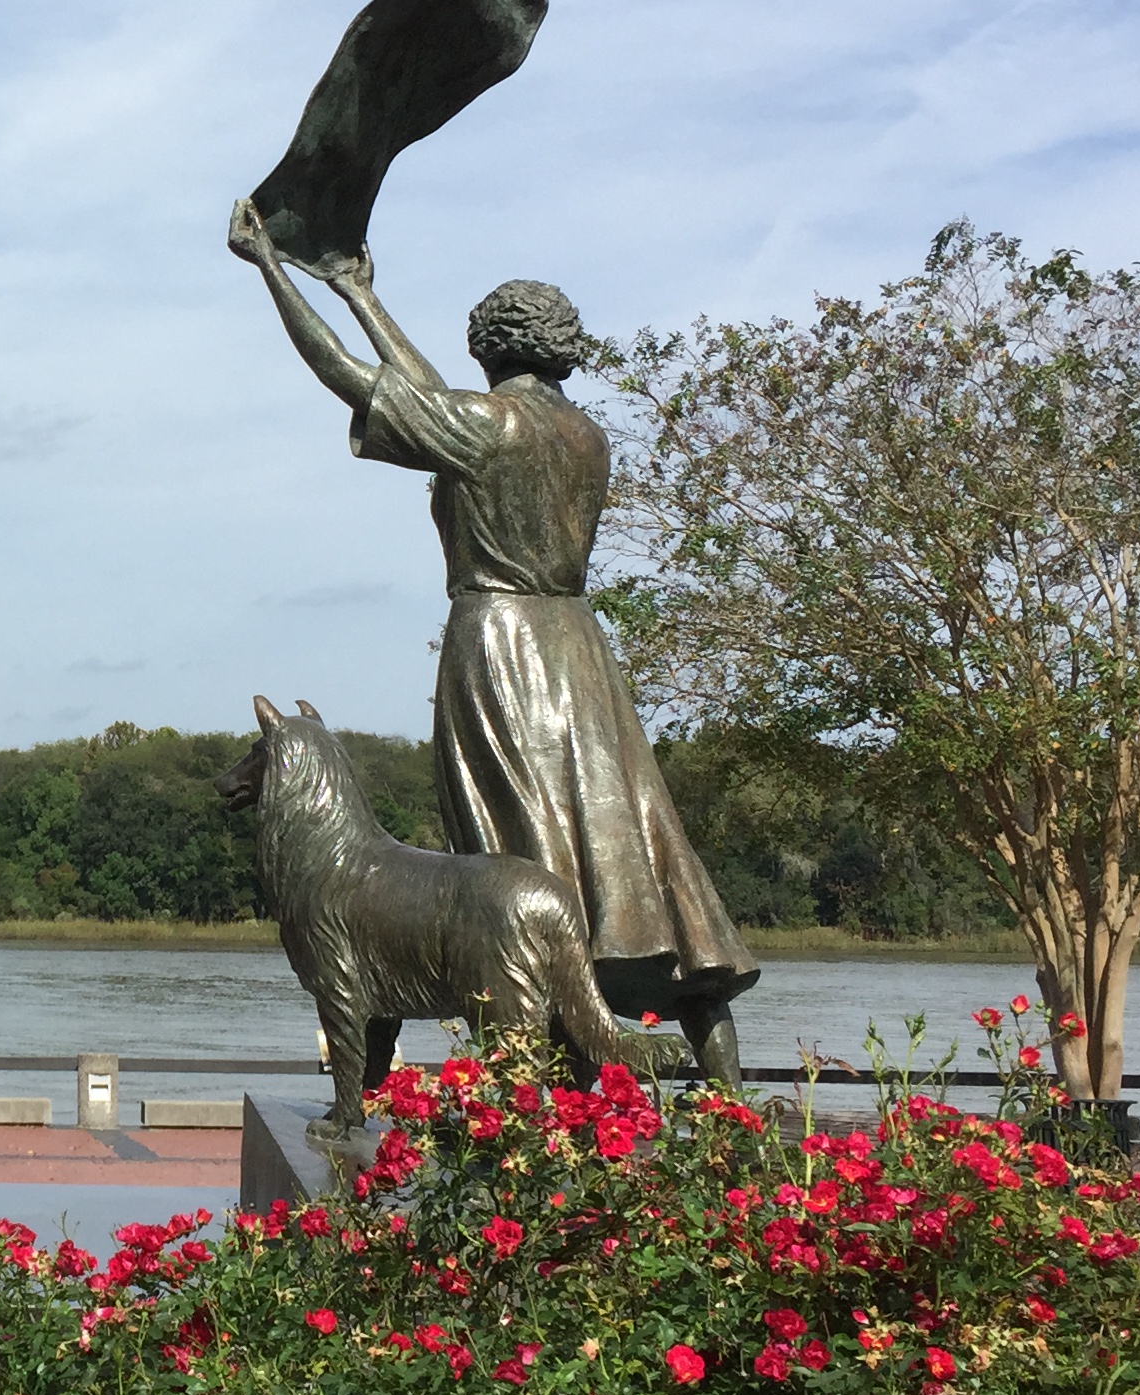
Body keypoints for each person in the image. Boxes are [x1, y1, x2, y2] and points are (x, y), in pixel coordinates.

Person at [228, 195, 756, 1080]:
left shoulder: (486, 429)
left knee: (515, 853)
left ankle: (548, 1090)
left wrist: (272, 271)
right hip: (579, 648)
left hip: (500, 649)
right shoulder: (583, 436)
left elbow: (353, 379)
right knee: (632, 837)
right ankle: (724, 1095)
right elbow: (439, 406)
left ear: (488, 347)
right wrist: (361, 294)